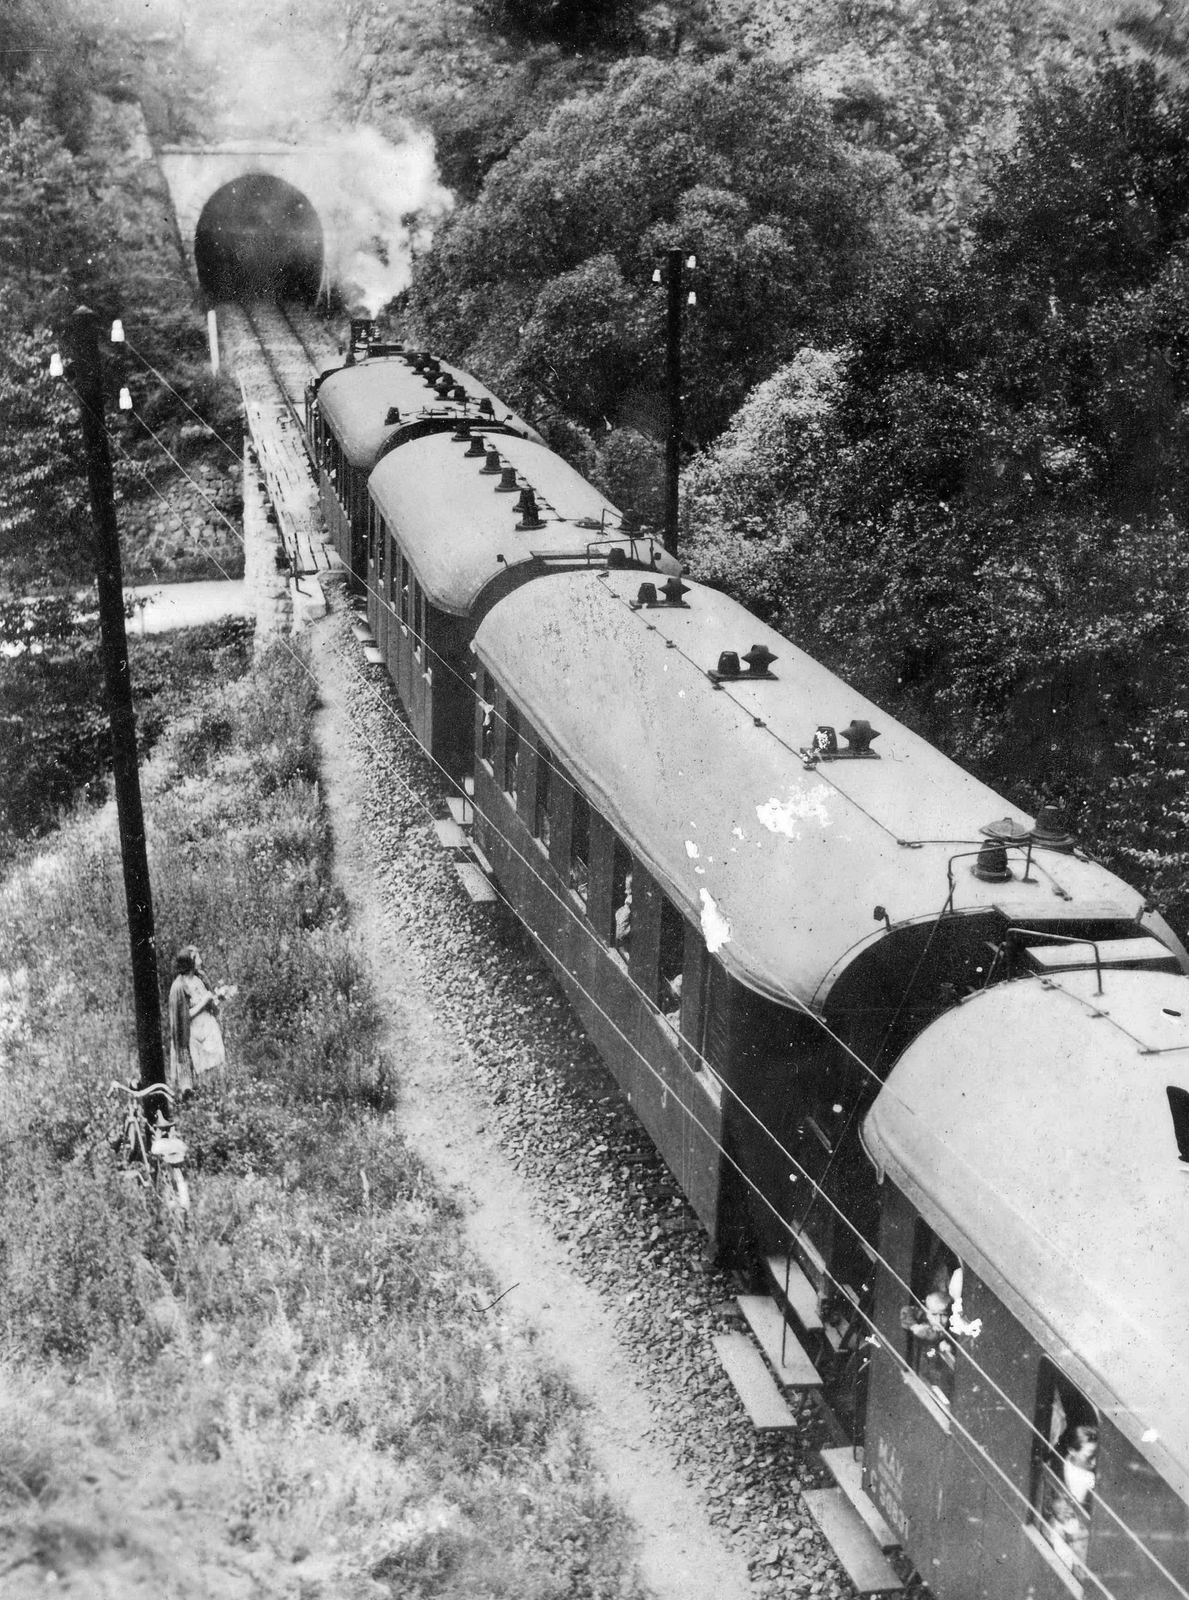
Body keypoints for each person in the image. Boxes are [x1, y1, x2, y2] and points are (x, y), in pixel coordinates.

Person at [169, 945, 229, 1096]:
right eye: (197, 958)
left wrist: (218, 996)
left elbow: (209, 1000)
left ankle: (219, 1093)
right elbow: (183, 1015)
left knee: (218, 1058)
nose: (201, 961)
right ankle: (201, 1095)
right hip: (194, 1031)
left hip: (208, 1027)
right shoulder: (179, 986)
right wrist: (204, 1002)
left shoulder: (200, 978)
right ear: (189, 962)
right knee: (200, 1065)